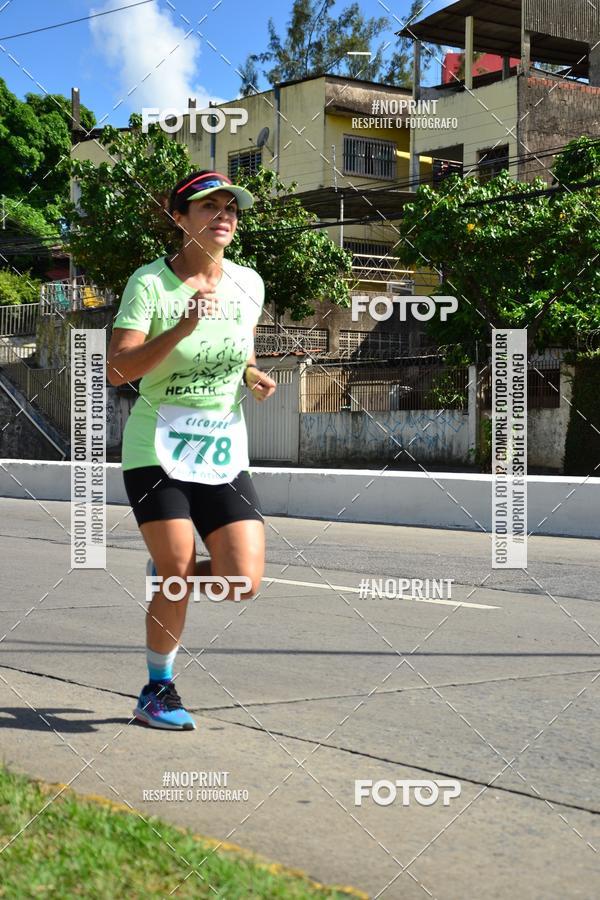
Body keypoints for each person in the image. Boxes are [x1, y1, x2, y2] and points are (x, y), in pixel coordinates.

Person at [107, 170, 277, 731]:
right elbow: (116, 369)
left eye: (230, 208)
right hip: (157, 444)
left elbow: (240, 354)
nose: (223, 215)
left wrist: (253, 375)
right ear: (179, 218)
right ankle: (158, 690)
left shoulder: (248, 283)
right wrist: (180, 328)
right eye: (209, 207)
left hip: (223, 447)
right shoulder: (150, 284)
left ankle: (169, 569)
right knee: (180, 569)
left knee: (241, 580)